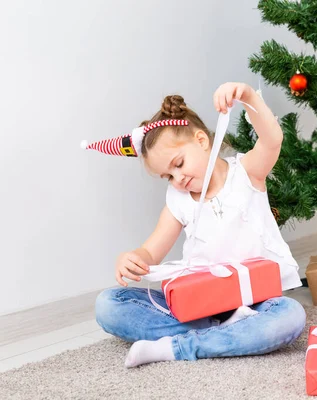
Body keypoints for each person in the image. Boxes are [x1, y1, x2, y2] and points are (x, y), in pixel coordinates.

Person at [87, 82, 305, 368]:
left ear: (202, 141)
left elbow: (272, 140)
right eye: (167, 176)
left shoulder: (247, 173)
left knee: (290, 316)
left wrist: (248, 96)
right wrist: (132, 259)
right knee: (108, 304)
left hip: (256, 304)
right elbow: (150, 253)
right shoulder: (178, 201)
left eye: (178, 164)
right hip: (200, 304)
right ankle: (222, 332)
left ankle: (179, 346)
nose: (177, 179)